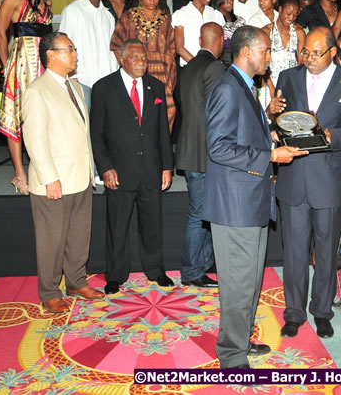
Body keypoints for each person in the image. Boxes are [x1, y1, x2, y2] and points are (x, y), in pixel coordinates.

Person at [203, 25, 306, 369]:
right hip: (235, 205)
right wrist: (269, 157)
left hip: (251, 200)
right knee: (236, 284)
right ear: (246, 52)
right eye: (265, 51)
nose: (270, 57)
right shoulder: (228, 88)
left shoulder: (245, 87)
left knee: (249, 281)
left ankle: (241, 341)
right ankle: (231, 356)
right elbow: (217, 147)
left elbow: (245, 135)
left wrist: (272, 140)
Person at [273, 26, 341, 340]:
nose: (309, 58)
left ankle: (322, 312)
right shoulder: (288, 77)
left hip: (329, 180)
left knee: (327, 253)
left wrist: (332, 136)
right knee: (295, 252)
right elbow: (278, 120)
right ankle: (294, 313)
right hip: (294, 178)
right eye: (305, 52)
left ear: (332, 52)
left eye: (316, 53)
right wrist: (271, 114)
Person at [21, 31, 103, 313]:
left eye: (75, 48)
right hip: (53, 179)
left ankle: (77, 281)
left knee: (79, 234)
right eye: (70, 49)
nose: (75, 54)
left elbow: (83, 133)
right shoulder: (36, 91)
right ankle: (49, 290)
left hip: (80, 175)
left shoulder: (77, 88)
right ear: (51, 54)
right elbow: (35, 139)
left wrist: (91, 169)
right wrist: (49, 177)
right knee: (51, 239)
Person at [90, 39, 174, 295]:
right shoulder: (104, 88)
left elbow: (162, 133)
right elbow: (96, 133)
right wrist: (104, 167)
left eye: (144, 58)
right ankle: (115, 275)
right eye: (136, 58)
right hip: (119, 171)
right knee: (117, 226)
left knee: (152, 224)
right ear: (121, 59)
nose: (141, 63)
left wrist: (167, 167)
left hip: (150, 169)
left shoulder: (156, 87)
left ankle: (156, 270)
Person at [175, 23, 226, 288]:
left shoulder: (188, 67)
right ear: (219, 40)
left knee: (204, 211)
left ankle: (203, 264)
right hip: (206, 152)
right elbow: (218, 112)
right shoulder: (215, 67)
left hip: (189, 148)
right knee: (199, 213)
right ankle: (192, 270)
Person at [0, 0, 53, 195]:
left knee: (44, 116)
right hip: (21, 62)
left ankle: (43, 168)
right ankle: (19, 173)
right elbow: (0, 32)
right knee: (16, 115)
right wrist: (6, 64)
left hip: (43, 61)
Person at [110, 0, 177, 130]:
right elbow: (116, 45)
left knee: (168, 111)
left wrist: (169, 78)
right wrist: (127, 69)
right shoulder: (128, 17)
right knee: (136, 111)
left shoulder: (166, 18)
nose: (152, 0)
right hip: (135, 73)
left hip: (161, 73)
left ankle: (160, 148)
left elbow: (172, 49)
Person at [58, 0, 118, 96]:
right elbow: (63, 46)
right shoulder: (73, 11)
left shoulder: (108, 16)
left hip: (105, 82)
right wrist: (71, 75)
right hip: (81, 80)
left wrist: (113, 76)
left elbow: (112, 50)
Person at [172, 0, 225, 67]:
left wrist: (216, 65)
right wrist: (198, 65)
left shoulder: (216, 15)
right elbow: (179, 48)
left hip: (213, 68)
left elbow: (221, 43)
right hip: (191, 67)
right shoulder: (181, 14)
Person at [263, 0, 306, 90]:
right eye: (289, 14)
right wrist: (271, 89)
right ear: (280, 9)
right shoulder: (266, 32)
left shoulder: (299, 32)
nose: (291, 18)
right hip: (269, 84)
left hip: (291, 84)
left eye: (295, 15)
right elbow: (262, 63)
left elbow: (301, 62)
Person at [210, 0, 245, 67]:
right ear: (219, 0)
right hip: (222, 64)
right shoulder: (214, 21)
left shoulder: (241, 20)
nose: (230, 2)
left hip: (239, 62)